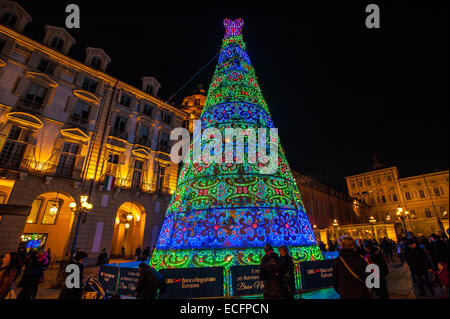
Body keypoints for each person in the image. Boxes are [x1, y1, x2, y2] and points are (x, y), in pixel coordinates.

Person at [332, 235, 371, 299]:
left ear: (340, 246)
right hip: (361, 293)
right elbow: (368, 278)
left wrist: (342, 292)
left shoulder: (337, 261)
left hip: (345, 294)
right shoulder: (359, 259)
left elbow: (335, 281)